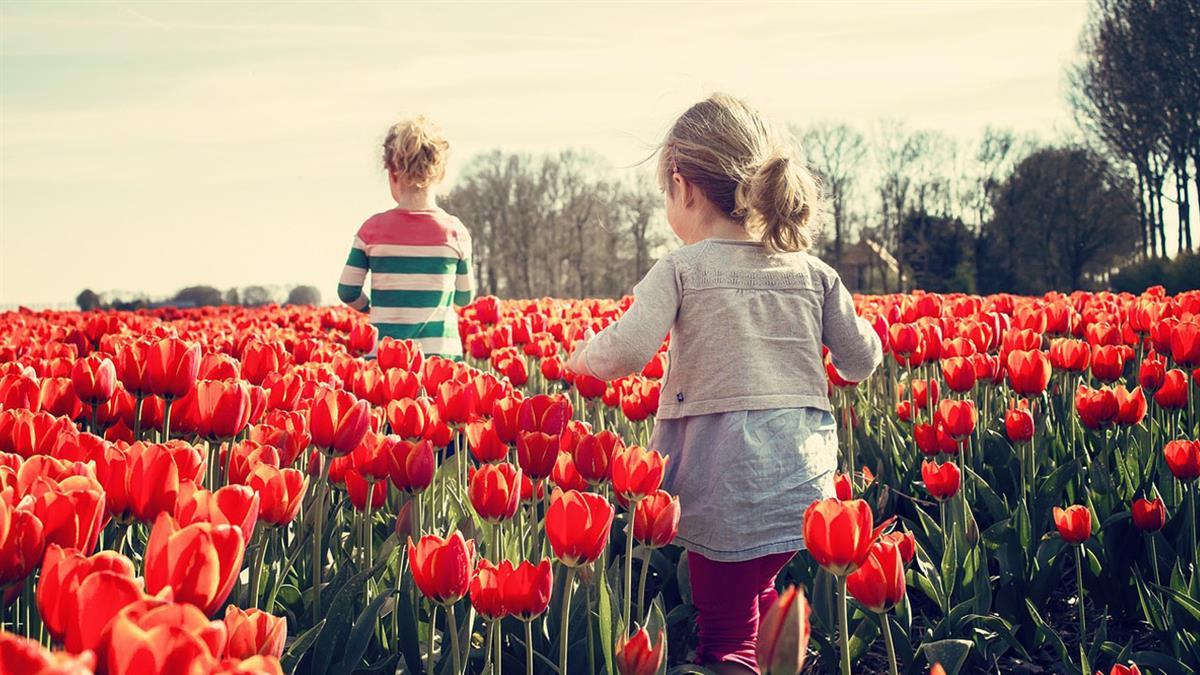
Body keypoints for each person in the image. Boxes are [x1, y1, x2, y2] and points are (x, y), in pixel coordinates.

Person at [565, 94, 882, 674]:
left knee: (727, 634)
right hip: (803, 484)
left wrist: (581, 357)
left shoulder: (683, 269)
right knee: (761, 596)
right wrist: (871, 335)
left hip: (723, 479)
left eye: (666, 193)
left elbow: (629, 350)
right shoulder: (815, 273)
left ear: (683, 188)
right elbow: (859, 361)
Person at [337, 115, 475, 359]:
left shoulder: (372, 230)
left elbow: (347, 290)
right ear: (441, 173)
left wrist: (371, 308)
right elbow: (465, 296)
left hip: (385, 356)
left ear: (391, 173)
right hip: (440, 356)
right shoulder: (455, 232)